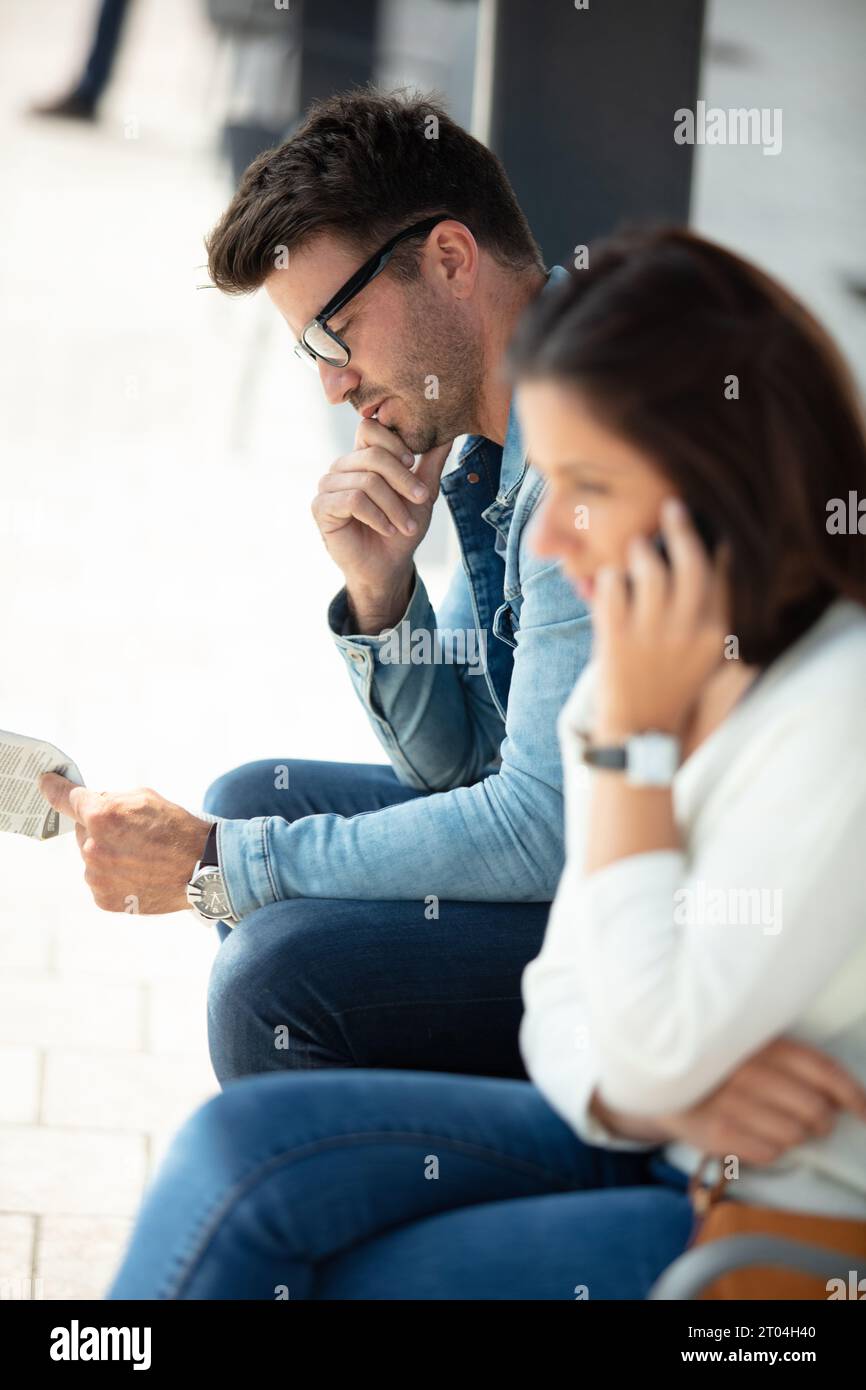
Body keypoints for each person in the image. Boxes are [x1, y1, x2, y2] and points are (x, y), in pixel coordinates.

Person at [106, 227, 866, 1299]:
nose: (548, 538)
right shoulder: (640, 668)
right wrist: (383, 596)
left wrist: (631, 764)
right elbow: (557, 980)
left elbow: (587, 937)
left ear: (713, 480)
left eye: (585, 483)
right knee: (240, 1156)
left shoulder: (827, 711)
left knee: (296, 1223)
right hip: (655, 1134)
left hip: (770, 1230)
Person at [39, 89, 591, 1088]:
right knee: (254, 798)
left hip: (664, 925)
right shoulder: (490, 451)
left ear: (451, 260)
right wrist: (380, 593)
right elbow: (465, 765)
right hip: (584, 856)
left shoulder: (581, 451)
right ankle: (373, 1159)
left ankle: (400, 1198)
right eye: (312, 354)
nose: (332, 387)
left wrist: (225, 859)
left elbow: (536, 828)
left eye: (336, 336)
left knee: (272, 975)